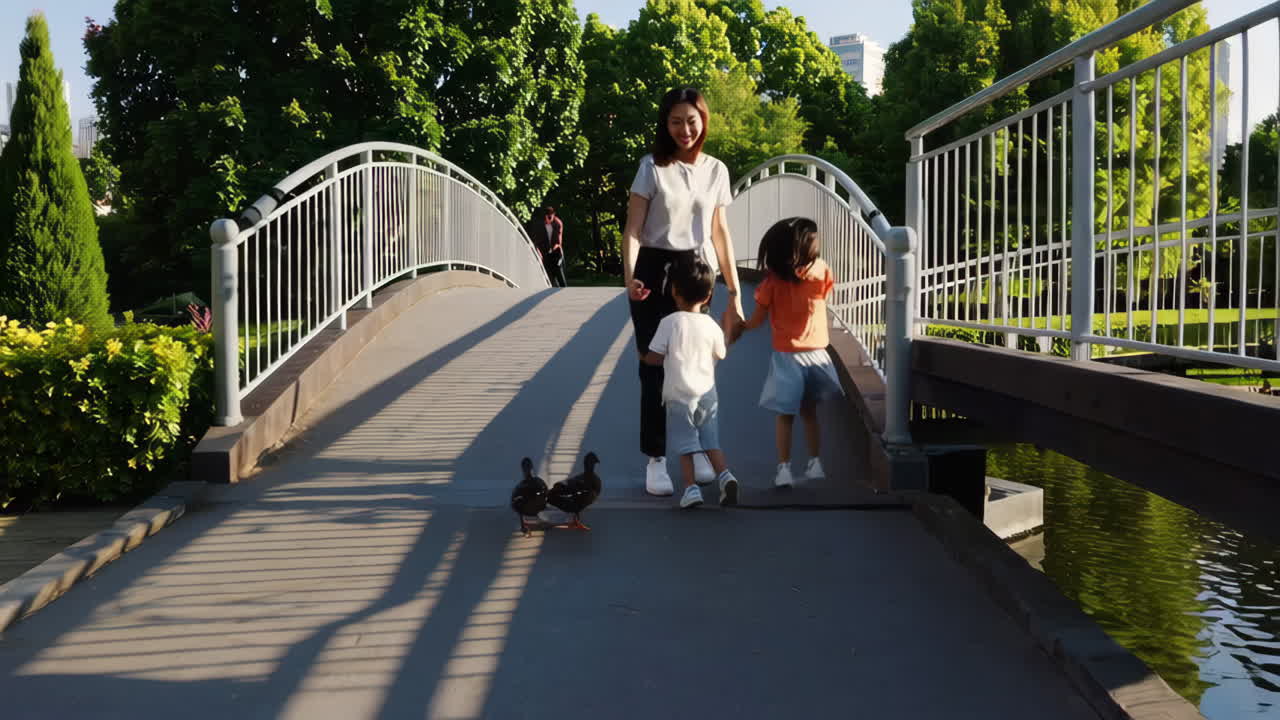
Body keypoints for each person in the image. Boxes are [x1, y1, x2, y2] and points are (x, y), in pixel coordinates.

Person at [623, 87, 746, 497]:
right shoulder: (651, 167)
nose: (684, 129)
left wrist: (735, 291)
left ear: (704, 120)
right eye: (675, 121)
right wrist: (630, 277)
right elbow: (634, 230)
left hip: (696, 270)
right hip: (654, 268)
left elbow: (720, 232)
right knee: (654, 365)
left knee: (695, 366)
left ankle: (692, 451)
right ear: (666, 124)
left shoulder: (716, 170)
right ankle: (657, 457)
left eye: (691, 120)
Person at [739, 217, 843, 488]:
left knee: (785, 416)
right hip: (818, 354)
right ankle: (815, 463)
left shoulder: (772, 283)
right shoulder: (822, 271)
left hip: (787, 356)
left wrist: (741, 327)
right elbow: (824, 296)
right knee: (810, 412)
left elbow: (757, 320)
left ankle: (784, 468)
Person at [641, 257, 740, 508]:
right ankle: (726, 476)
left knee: (685, 445)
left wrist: (643, 355)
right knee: (710, 442)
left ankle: (690, 488)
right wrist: (727, 327)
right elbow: (722, 353)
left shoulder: (670, 323)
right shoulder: (711, 325)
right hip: (708, 396)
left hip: (679, 396)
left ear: (674, 291)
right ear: (708, 295)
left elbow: (654, 357)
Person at [538, 206, 567, 287]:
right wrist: (539, 251)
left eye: (551, 217)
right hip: (546, 252)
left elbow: (558, 241)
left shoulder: (558, 223)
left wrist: (553, 249)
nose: (549, 219)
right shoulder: (541, 224)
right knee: (550, 276)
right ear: (545, 216)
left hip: (556, 251)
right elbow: (537, 239)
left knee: (559, 272)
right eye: (548, 217)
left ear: (554, 215)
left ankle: (564, 290)